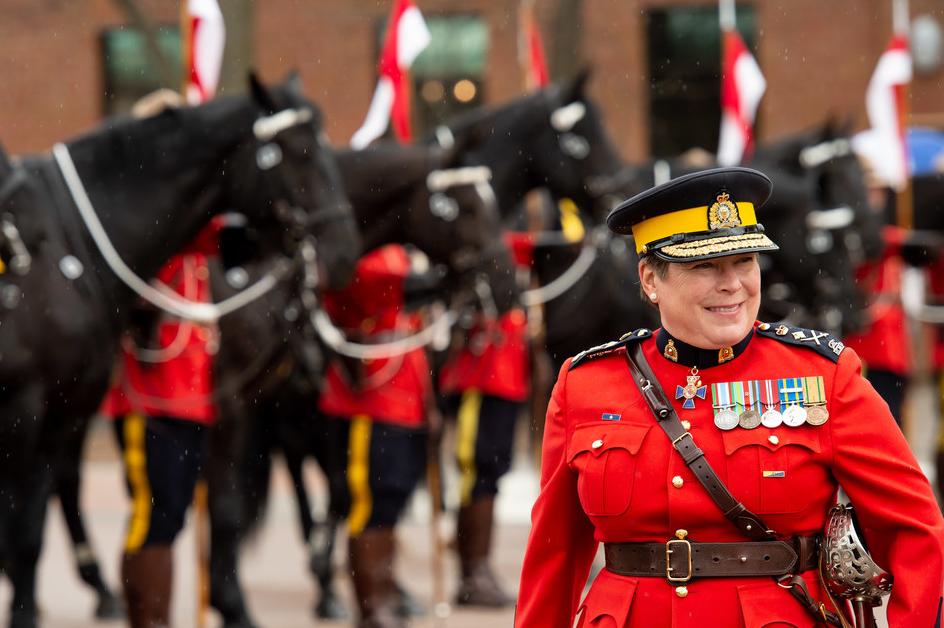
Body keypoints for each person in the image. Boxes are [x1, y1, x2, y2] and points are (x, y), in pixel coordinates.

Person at [515, 167, 944, 627]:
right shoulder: (585, 383)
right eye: (704, 266)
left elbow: (915, 532)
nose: (733, 283)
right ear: (650, 279)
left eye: (744, 262)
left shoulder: (823, 375)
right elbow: (553, 556)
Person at [100, 223, 219, 628]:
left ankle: (158, 617)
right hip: (150, 399)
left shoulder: (198, 245)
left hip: (190, 398)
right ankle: (147, 620)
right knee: (153, 515)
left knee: (172, 516)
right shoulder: (152, 234)